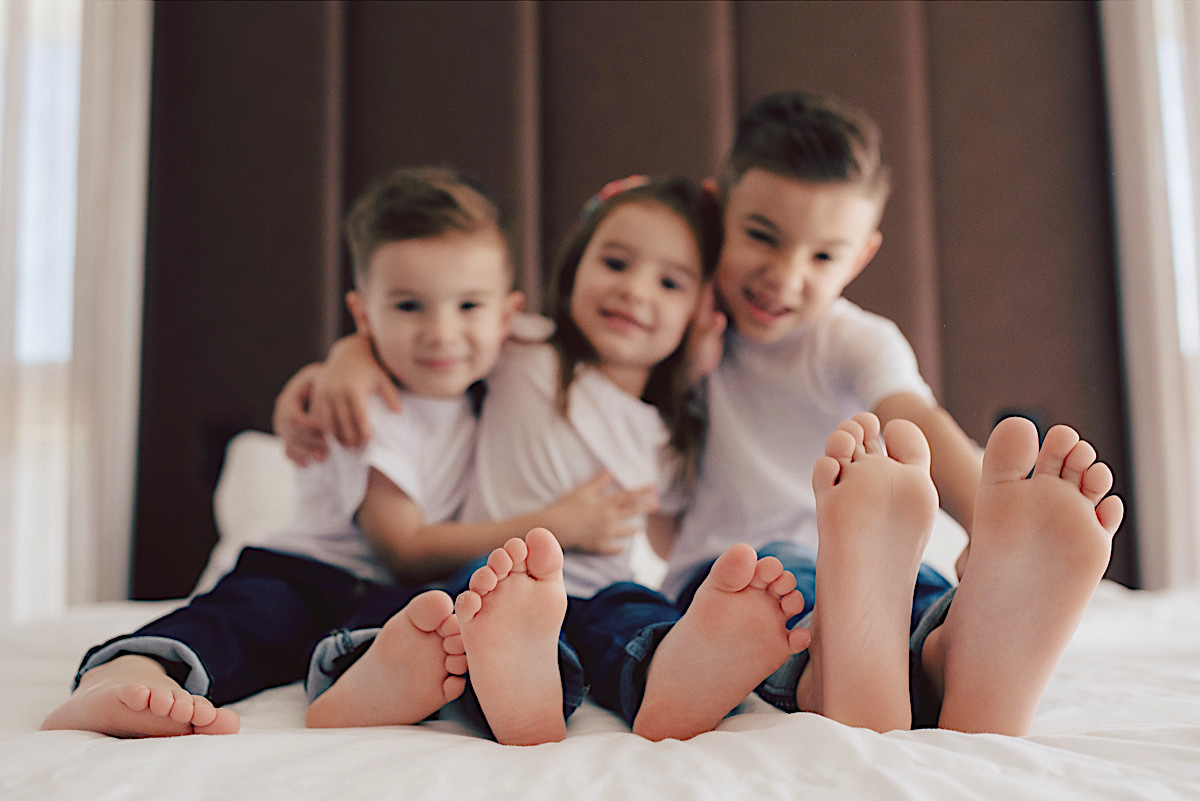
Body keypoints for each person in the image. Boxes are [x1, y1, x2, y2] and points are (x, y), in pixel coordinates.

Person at [40, 166, 635, 739]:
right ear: (363, 313)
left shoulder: (499, 374)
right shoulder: (367, 402)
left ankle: (361, 683)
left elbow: (586, 335)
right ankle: (123, 676)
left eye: (469, 307)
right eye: (407, 306)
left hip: (394, 591)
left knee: (432, 621)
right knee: (242, 622)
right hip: (308, 571)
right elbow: (400, 547)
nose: (442, 333)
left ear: (506, 315)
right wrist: (557, 524)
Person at [298, 174, 808, 746]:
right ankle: (499, 681)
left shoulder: (665, 431)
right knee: (459, 613)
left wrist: (692, 373)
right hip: (499, 581)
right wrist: (350, 354)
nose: (636, 291)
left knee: (639, 618)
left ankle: (673, 673)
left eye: (670, 283)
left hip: (601, 589)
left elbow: (668, 541)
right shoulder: (522, 347)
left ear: (699, 311)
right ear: (574, 271)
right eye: (615, 263)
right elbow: (437, 332)